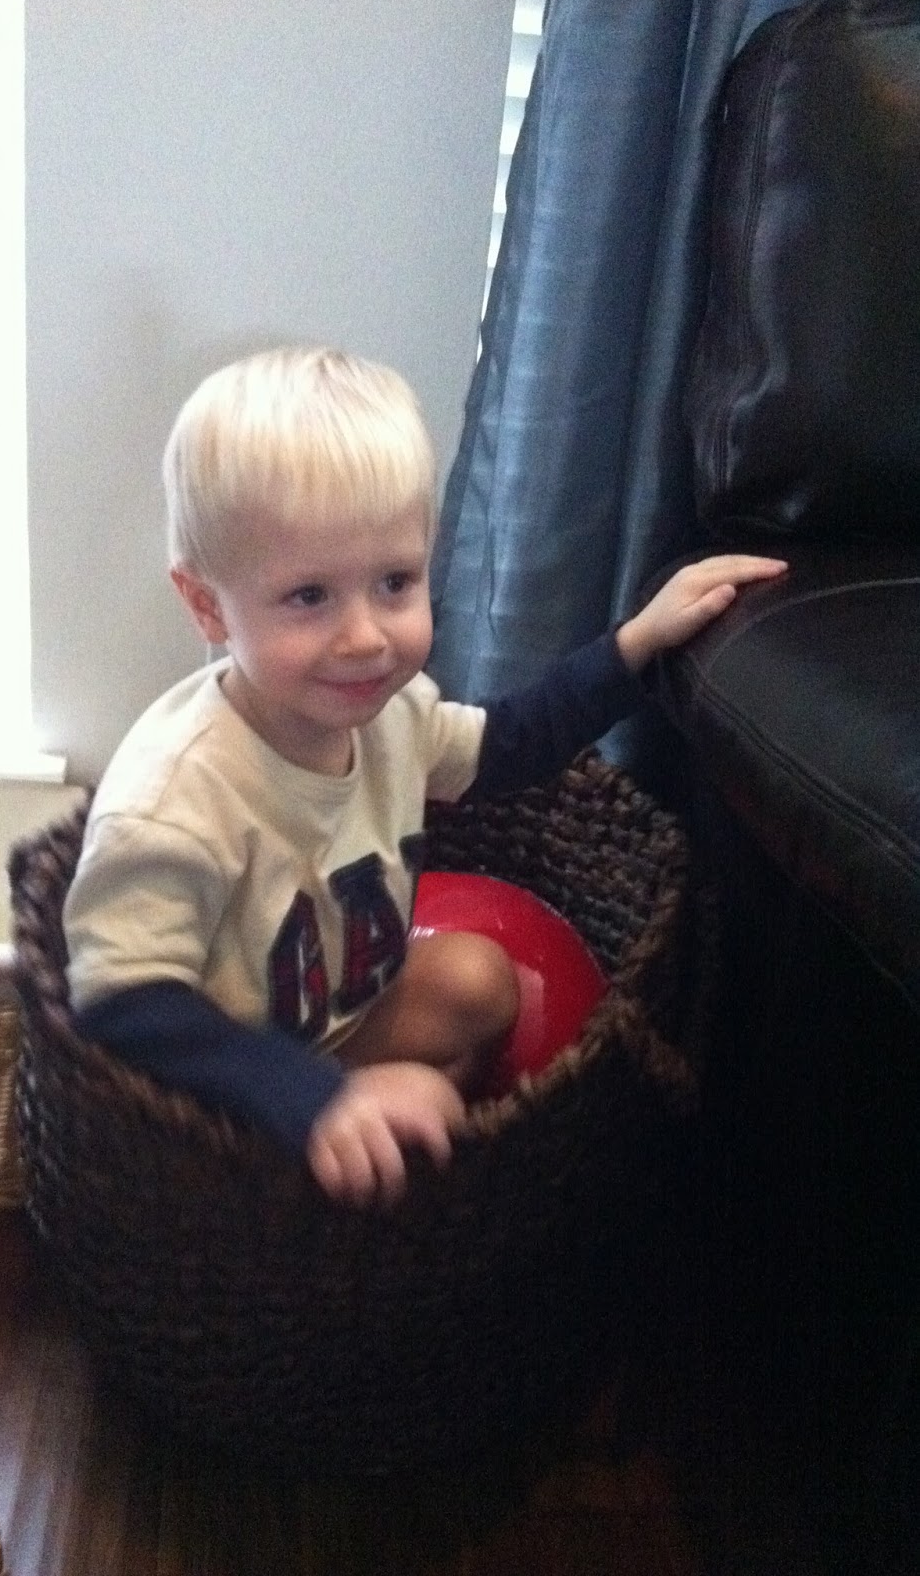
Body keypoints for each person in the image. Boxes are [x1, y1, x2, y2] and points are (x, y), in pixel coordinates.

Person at [64, 347, 785, 1208]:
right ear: (208, 606)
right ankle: (363, 1162)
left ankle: (388, 1131)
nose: (366, 637)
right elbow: (120, 1002)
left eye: (394, 582)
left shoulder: (390, 716)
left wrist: (637, 644)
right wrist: (312, 1101)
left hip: (336, 1016)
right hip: (224, 1080)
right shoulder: (173, 802)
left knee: (480, 979)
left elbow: (510, 743)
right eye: (309, 597)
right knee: (414, 1111)